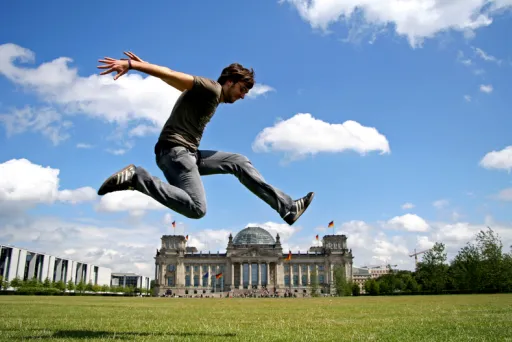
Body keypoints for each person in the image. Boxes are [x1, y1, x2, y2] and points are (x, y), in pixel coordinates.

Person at [96, 51, 314, 225]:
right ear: (230, 81)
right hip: (175, 152)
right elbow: (171, 74)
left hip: (187, 153)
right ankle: (137, 178)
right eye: (242, 89)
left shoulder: (209, 95)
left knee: (237, 161)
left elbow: (167, 78)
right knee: (197, 209)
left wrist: (145, 65)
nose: (243, 96)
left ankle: (287, 208)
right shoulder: (211, 89)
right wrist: (133, 66)